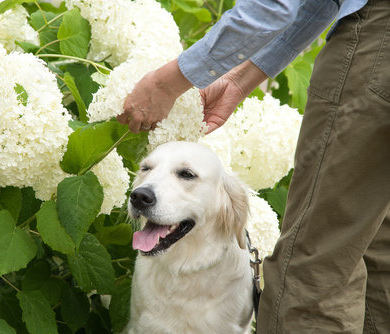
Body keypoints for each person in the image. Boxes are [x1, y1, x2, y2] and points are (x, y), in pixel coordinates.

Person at [117, 0, 390, 332]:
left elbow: (275, 4)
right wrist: (239, 80)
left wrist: (167, 82)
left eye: (186, 174)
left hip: (377, 50)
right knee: (377, 252)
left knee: (315, 271)